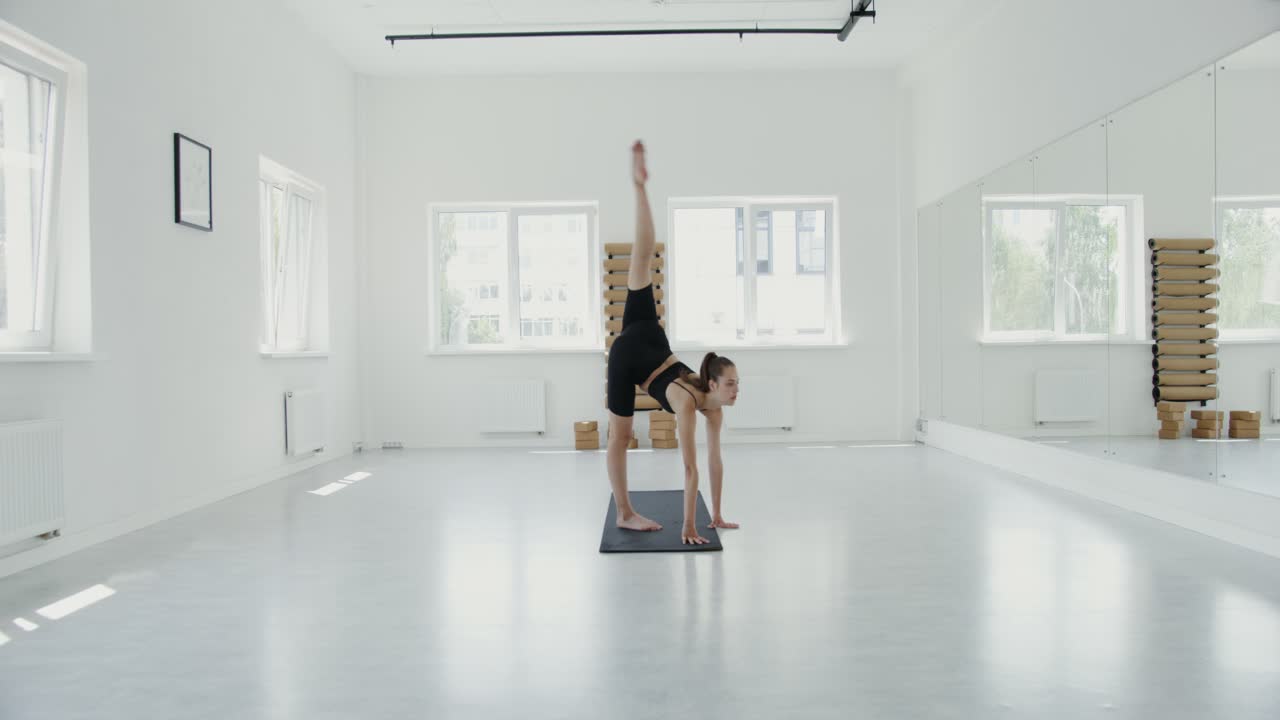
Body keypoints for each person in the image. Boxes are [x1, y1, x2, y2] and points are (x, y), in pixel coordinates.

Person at [606, 141, 741, 545]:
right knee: (620, 435)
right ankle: (625, 513)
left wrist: (715, 516)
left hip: (648, 335)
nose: (737, 390)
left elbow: (714, 462)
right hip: (629, 354)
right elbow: (689, 469)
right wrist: (687, 527)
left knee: (641, 264)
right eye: (731, 383)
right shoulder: (686, 403)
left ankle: (638, 187)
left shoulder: (714, 409)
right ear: (712, 385)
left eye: (737, 383)